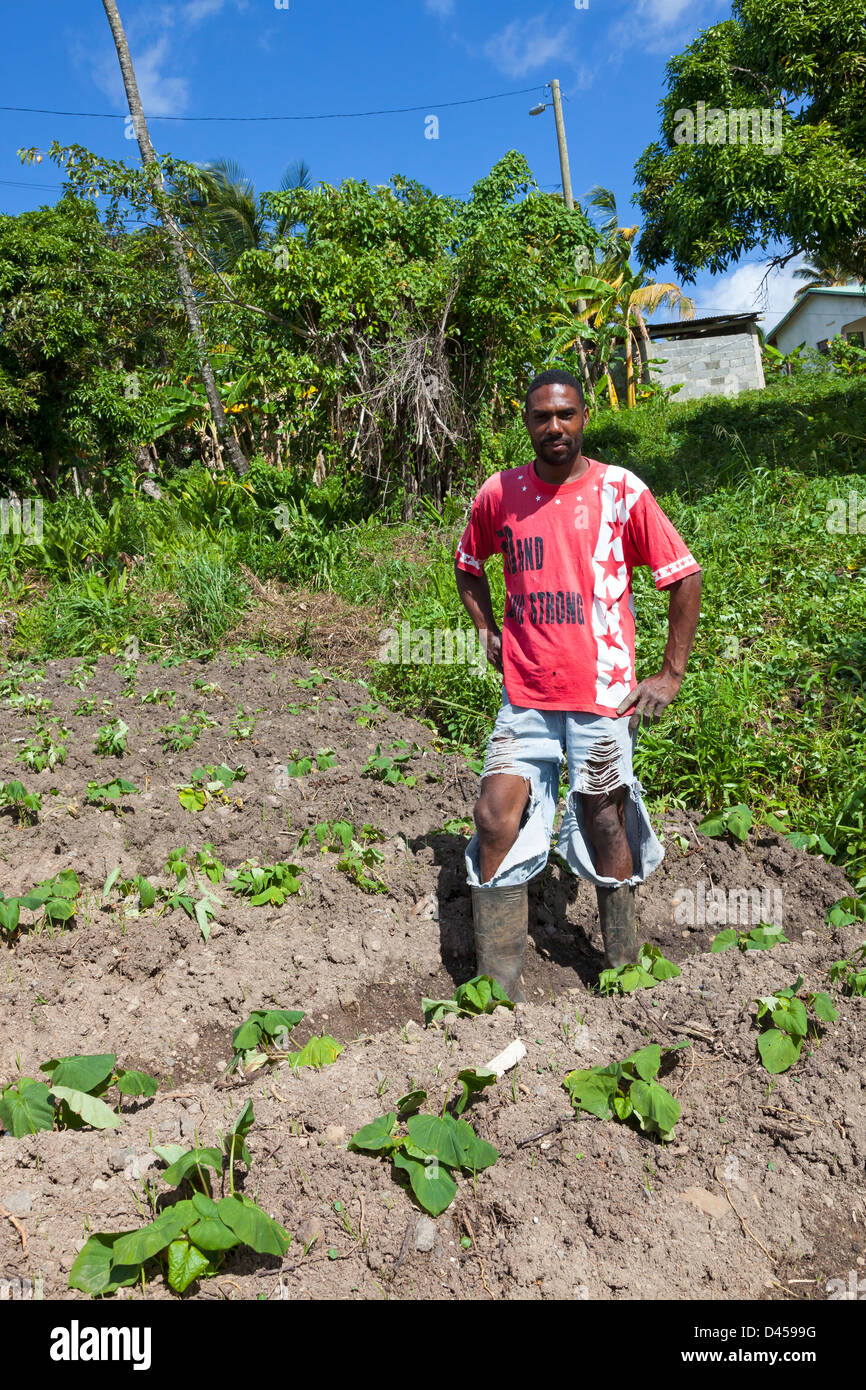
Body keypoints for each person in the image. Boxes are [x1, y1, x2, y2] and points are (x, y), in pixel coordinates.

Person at [454, 369, 702, 1000]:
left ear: (584, 416)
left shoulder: (621, 490)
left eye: (565, 414)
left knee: (605, 819)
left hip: (603, 694)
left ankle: (622, 968)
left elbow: (683, 576)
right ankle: (497, 985)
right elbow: (468, 564)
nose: (554, 427)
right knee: (493, 815)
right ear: (527, 422)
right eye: (541, 416)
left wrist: (670, 674)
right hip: (526, 695)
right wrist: (486, 631)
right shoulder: (501, 493)